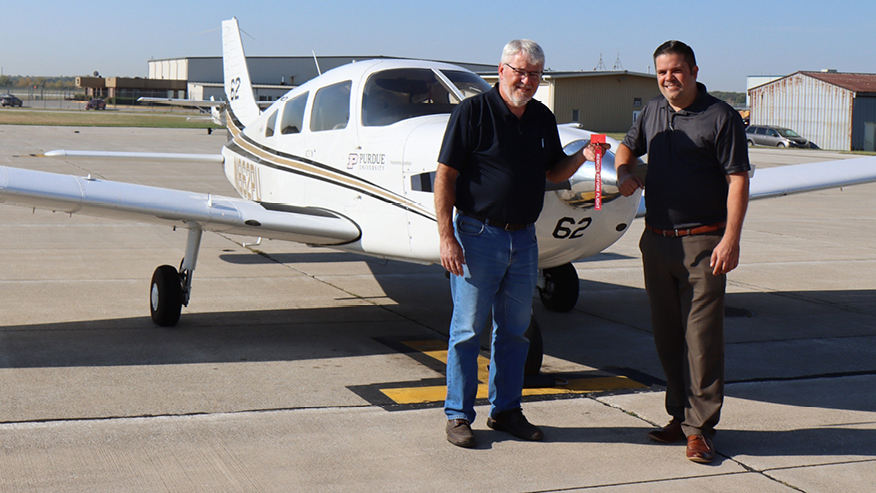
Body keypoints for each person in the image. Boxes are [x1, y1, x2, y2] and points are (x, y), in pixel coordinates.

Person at [435, 39, 606, 448]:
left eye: (533, 74)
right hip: (477, 236)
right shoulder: (472, 112)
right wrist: (447, 236)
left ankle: (506, 410)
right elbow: (445, 176)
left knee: (514, 331)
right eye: (519, 71)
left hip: (524, 239)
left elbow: (553, 173)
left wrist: (584, 154)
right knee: (466, 330)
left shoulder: (541, 118)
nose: (525, 80)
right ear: (501, 70)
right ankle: (458, 415)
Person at [615, 40, 750, 463]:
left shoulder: (721, 117)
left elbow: (738, 180)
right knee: (668, 338)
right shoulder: (653, 110)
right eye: (661, 73)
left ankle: (701, 429)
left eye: (676, 71)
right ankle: (680, 417)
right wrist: (622, 171)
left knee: (702, 341)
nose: (668, 79)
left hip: (703, 244)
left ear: (693, 70)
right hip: (656, 241)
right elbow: (627, 145)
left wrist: (730, 239)